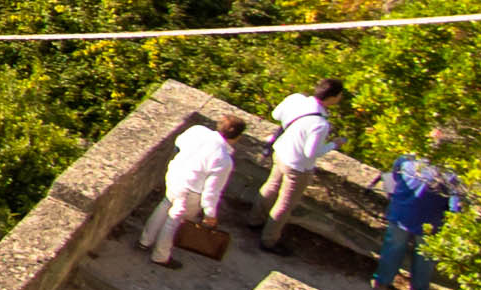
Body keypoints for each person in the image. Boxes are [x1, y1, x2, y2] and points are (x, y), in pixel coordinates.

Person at [140, 108, 245, 268]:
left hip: (175, 177)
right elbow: (211, 191)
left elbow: (178, 143)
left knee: (165, 205)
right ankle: (160, 256)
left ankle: (145, 241)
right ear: (238, 137)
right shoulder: (223, 159)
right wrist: (210, 214)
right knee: (174, 221)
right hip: (190, 191)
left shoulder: (198, 131)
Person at [256, 78, 345, 253]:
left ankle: (254, 220)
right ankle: (269, 240)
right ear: (333, 97)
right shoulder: (320, 124)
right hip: (297, 167)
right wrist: (334, 144)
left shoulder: (296, 99)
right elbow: (311, 153)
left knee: (270, 187)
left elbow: (276, 115)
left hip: (280, 151)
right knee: (285, 204)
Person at [376, 133, 467, 290]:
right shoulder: (450, 175)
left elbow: (394, 179)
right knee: (425, 257)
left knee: (392, 248)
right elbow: (455, 206)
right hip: (431, 222)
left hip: (401, 214)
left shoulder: (405, 161)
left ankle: (382, 282)